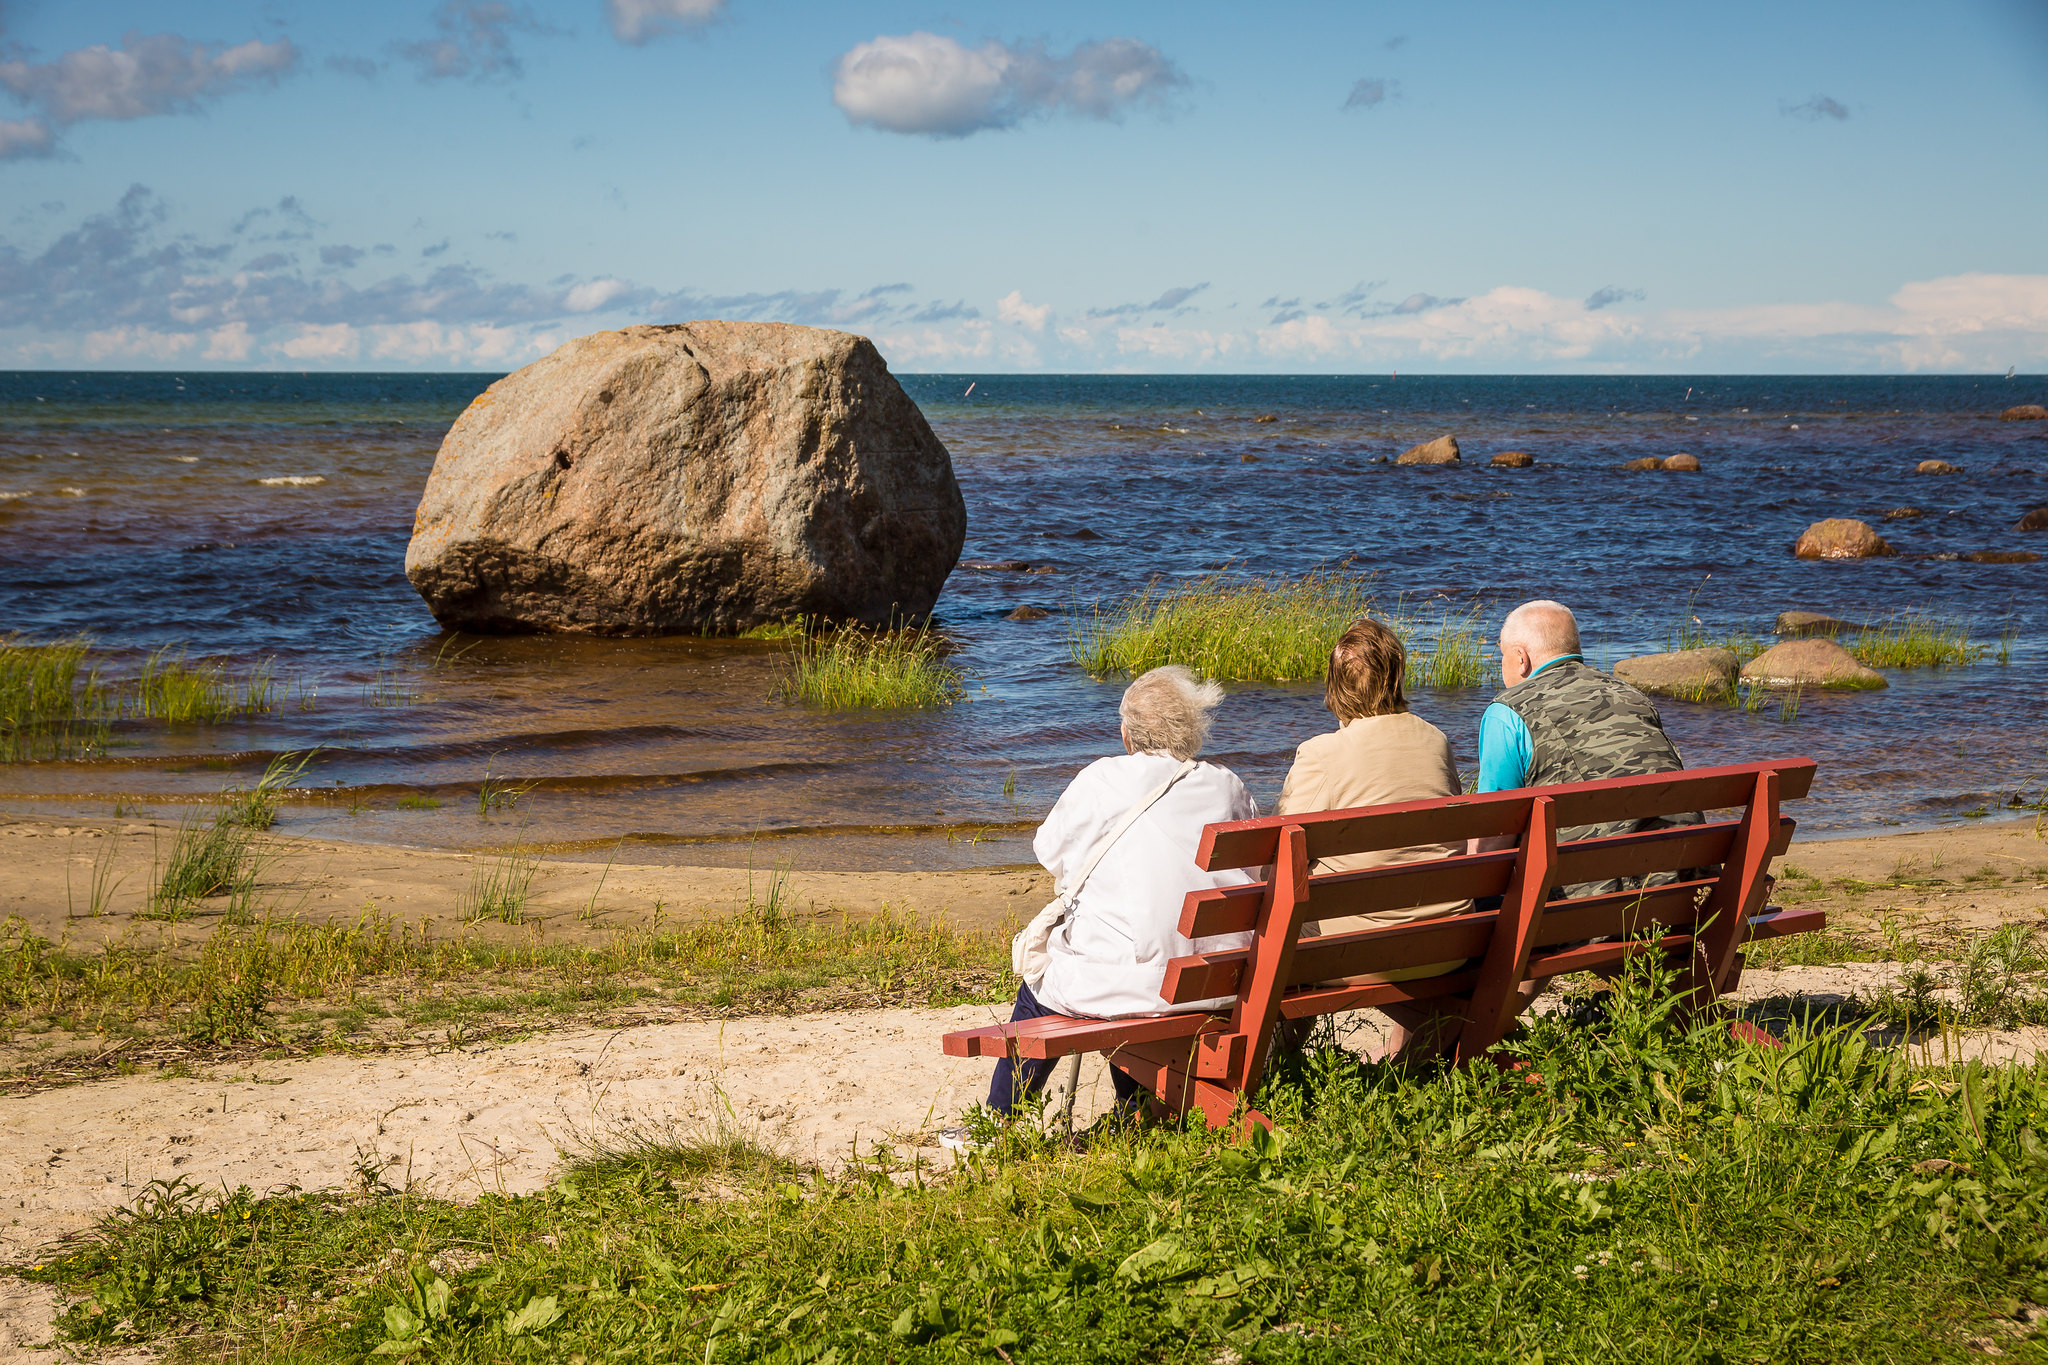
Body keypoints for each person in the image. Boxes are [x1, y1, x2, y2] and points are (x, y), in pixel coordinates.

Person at [979, 665, 1258, 1124]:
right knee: (1129, 945)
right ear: (1192, 729)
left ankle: (1001, 1117)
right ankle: (1134, 1110)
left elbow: (1049, 851)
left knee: (1041, 981)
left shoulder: (1101, 779)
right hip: (1215, 980)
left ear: (1127, 734)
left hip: (1129, 988)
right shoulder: (1226, 784)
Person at [1273, 615, 1471, 1060]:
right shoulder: (1435, 741)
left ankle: (1279, 1061)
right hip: (1449, 942)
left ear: (1334, 685)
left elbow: (1282, 854)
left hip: (1363, 955)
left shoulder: (1321, 754)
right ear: (1397, 674)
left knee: (1284, 914)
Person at [1479, 598, 1694, 892]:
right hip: (1687, 886)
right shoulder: (1631, 695)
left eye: (1501, 655)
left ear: (1520, 658)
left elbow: (1494, 835)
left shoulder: (1507, 711)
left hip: (1597, 905)